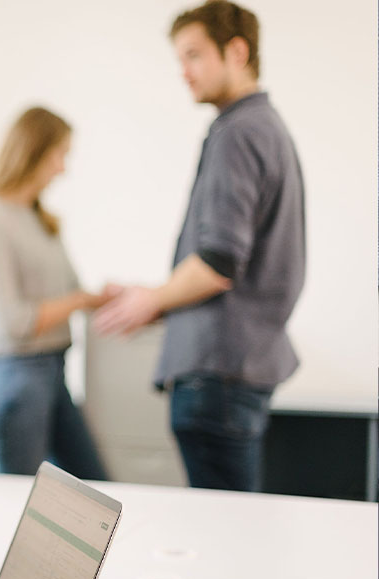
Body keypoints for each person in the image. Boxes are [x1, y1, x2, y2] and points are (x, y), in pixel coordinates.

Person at [94, 1, 305, 492]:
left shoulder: (237, 131)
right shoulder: (266, 127)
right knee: (234, 529)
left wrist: (152, 299)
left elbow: (218, 262)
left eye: (193, 55)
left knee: (224, 539)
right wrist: (158, 295)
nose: (184, 73)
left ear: (236, 51)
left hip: (217, 376)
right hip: (238, 370)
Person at [0, 107, 112, 478]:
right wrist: (79, 301)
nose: (63, 168)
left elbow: (71, 290)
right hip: (17, 377)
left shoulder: (38, 218)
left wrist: (104, 298)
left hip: (53, 371)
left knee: (93, 490)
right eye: (59, 155)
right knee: (18, 502)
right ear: (33, 152)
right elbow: (12, 321)